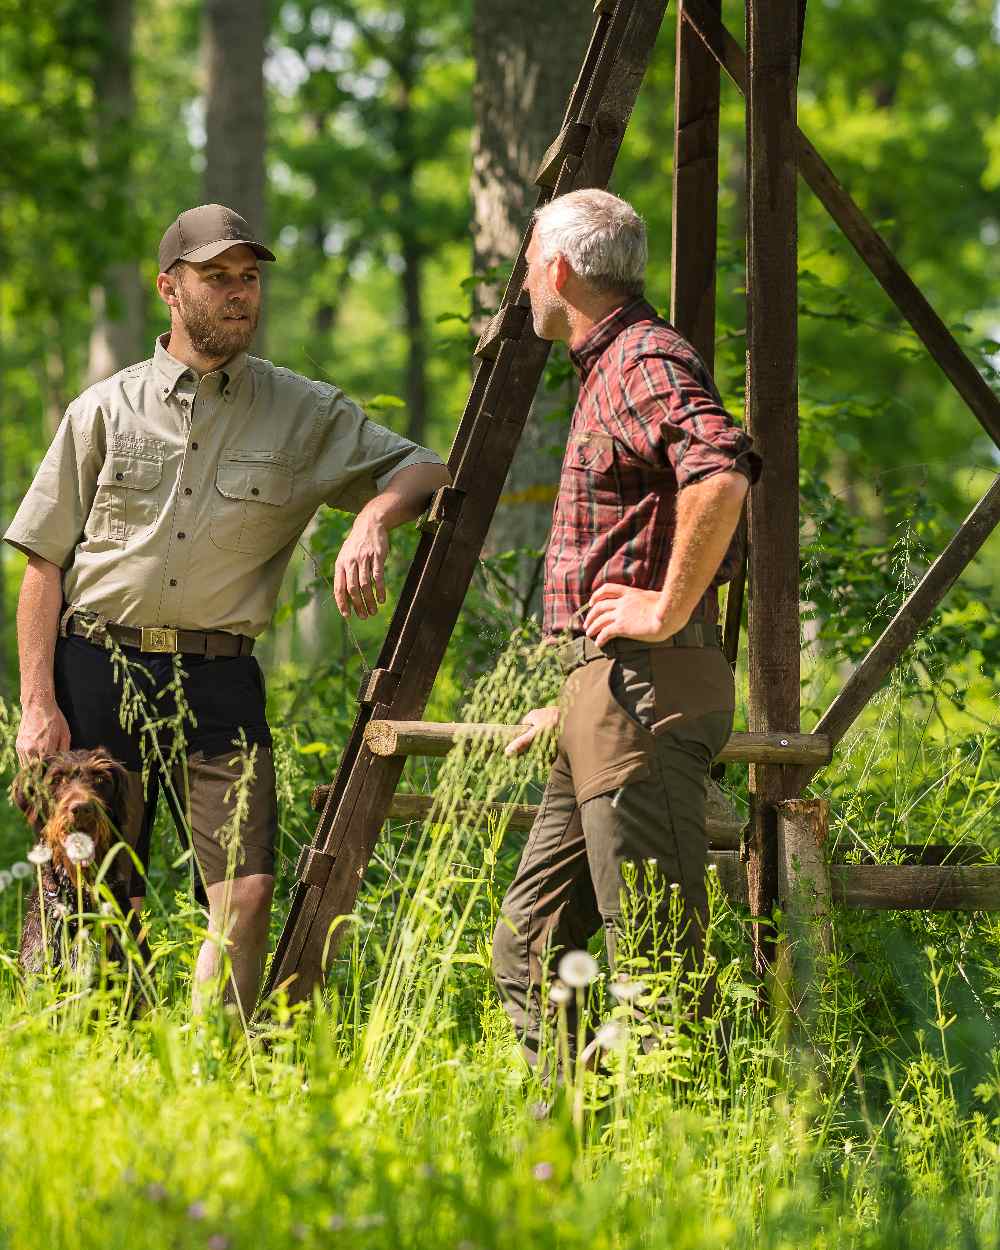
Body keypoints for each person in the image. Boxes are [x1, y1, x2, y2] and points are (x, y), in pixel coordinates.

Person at [6, 204, 450, 1016]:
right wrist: (39, 703)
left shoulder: (303, 410)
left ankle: (211, 1068)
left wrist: (372, 518)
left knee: (244, 894)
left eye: (249, 277)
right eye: (218, 277)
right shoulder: (103, 409)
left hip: (219, 678)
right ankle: (109, 1060)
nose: (240, 293)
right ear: (169, 288)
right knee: (103, 891)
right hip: (97, 668)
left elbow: (427, 467)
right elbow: (43, 563)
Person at [492, 188, 761, 1065]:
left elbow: (720, 469)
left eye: (531, 260)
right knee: (530, 952)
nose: (527, 278)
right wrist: (571, 697)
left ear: (560, 269)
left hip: (647, 697)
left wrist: (667, 606)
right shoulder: (608, 367)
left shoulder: (646, 357)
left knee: (657, 974)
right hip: (606, 698)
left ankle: (695, 1175)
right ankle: (577, 1159)